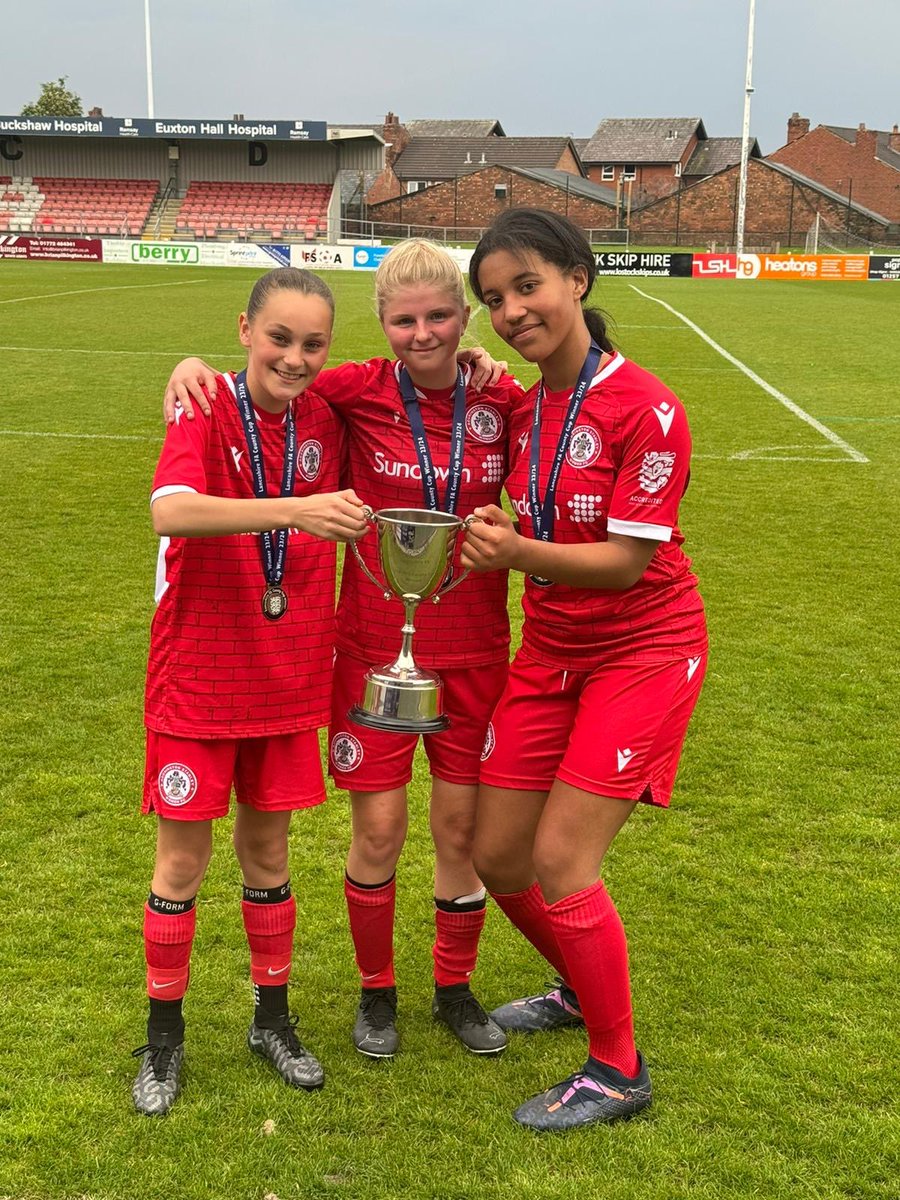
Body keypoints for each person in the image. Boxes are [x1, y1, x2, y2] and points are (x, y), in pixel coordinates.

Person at [163, 241, 523, 1060]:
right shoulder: (353, 388)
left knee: (460, 831)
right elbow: (265, 382)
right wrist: (190, 366)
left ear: (465, 317)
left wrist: (492, 373)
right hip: (369, 649)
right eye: (405, 320)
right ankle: (376, 994)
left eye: (440, 317)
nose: (423, 334)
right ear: (382, 324)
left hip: (474, 648)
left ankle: (455, 989)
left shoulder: (500, 400)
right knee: (380, 832)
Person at [460, 209, 708, 1131]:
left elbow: (628, 562)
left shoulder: (648, 408)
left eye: (527, 286)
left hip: (645, 647)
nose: (512, 312)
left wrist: (516, 553)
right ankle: (577, 984)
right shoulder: (526, 405)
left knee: (563, 860)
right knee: (497, 854)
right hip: (552, 649)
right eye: (495, 300)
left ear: (578, 278)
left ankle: (617, 1068)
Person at [134, 267, 369, 1116]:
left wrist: (478, 361)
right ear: (244, 330)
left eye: (313, 344)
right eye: (278, 338)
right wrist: (294, 510)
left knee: (269, 856)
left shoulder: (328, 414)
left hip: (288, 677)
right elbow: (171, 511)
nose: (294, 358)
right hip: (200, 677)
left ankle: (271, 1021)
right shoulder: (202, 404)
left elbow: (411, 381)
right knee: (182, 862)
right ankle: (164, 1040)